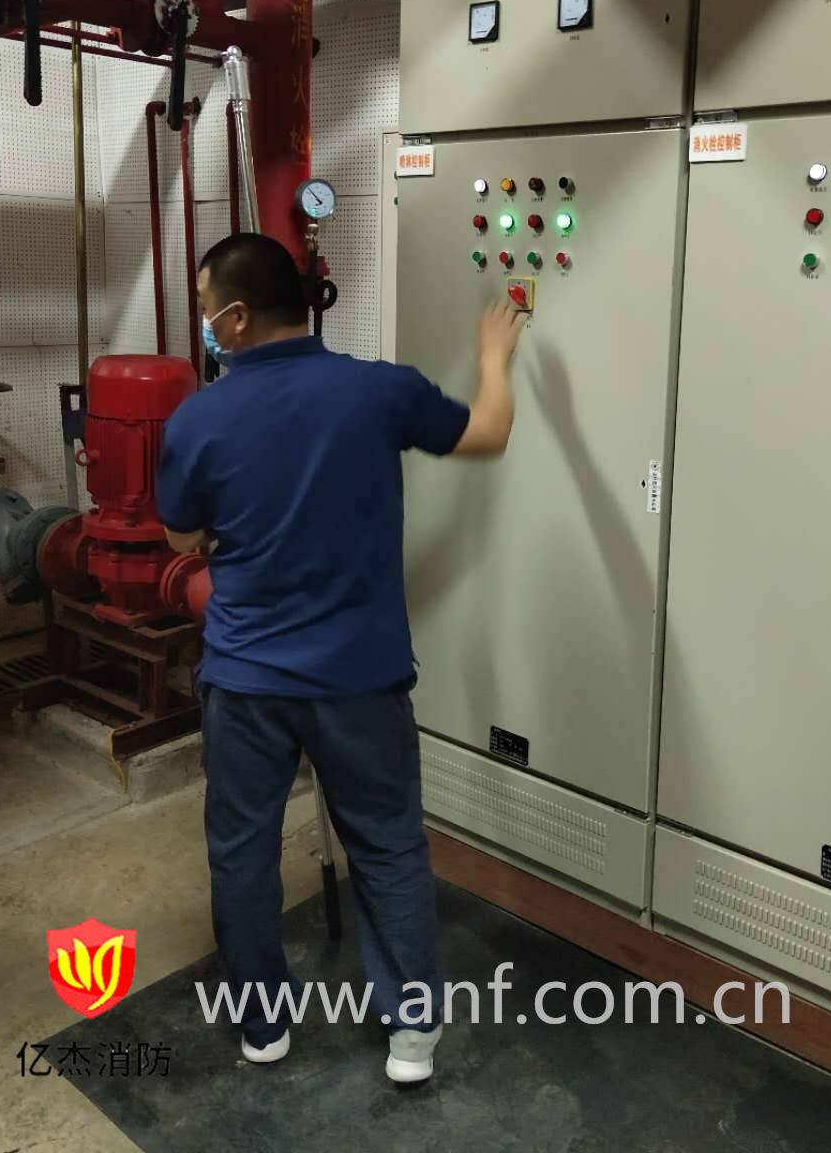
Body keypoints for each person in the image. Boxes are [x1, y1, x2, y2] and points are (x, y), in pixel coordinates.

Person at [155, 232, 524, 1082]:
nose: (204, 321)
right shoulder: (379, 390)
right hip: (359, 677)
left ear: (236, 317)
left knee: (242, 853)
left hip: (245, 680)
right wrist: (492, 357)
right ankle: (413, 1035)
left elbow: (179, 534)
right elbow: (490, 432)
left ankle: (264, 1028)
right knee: (387, 846)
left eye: (206, 307)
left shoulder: (198, 418)